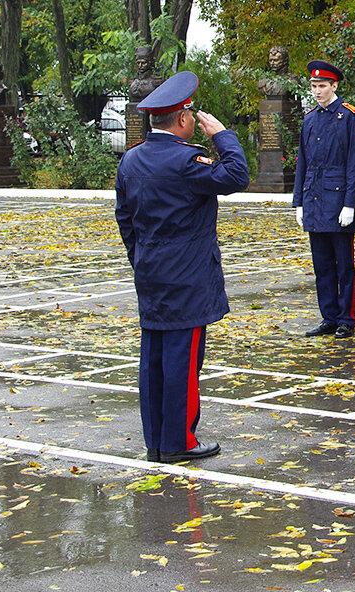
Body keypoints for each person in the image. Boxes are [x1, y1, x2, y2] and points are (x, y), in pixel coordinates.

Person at [115, 71, 250, 462]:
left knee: (154, 359)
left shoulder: (131, 159)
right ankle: (179, 441)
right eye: (190, 114)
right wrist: (222, 136)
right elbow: (237, 176)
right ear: (182, 119)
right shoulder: (186, 160)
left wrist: (141, 257)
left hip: (151, 271)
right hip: (187, 276)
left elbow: (125, 218)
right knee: (183, 361)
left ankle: (156, 440)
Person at [294, 61, 355, 338]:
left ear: (334, 86)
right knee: (322, 265)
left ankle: (347, 318)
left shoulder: (349, 117)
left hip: (338, 200)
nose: (317, 91)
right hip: (314, 197)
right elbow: (303, 163)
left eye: (322, 86)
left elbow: (354, 163)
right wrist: (299, 202)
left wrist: (350, 203)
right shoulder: (310, 119)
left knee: (343, 264)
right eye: (314, 86)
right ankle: (329, 316)